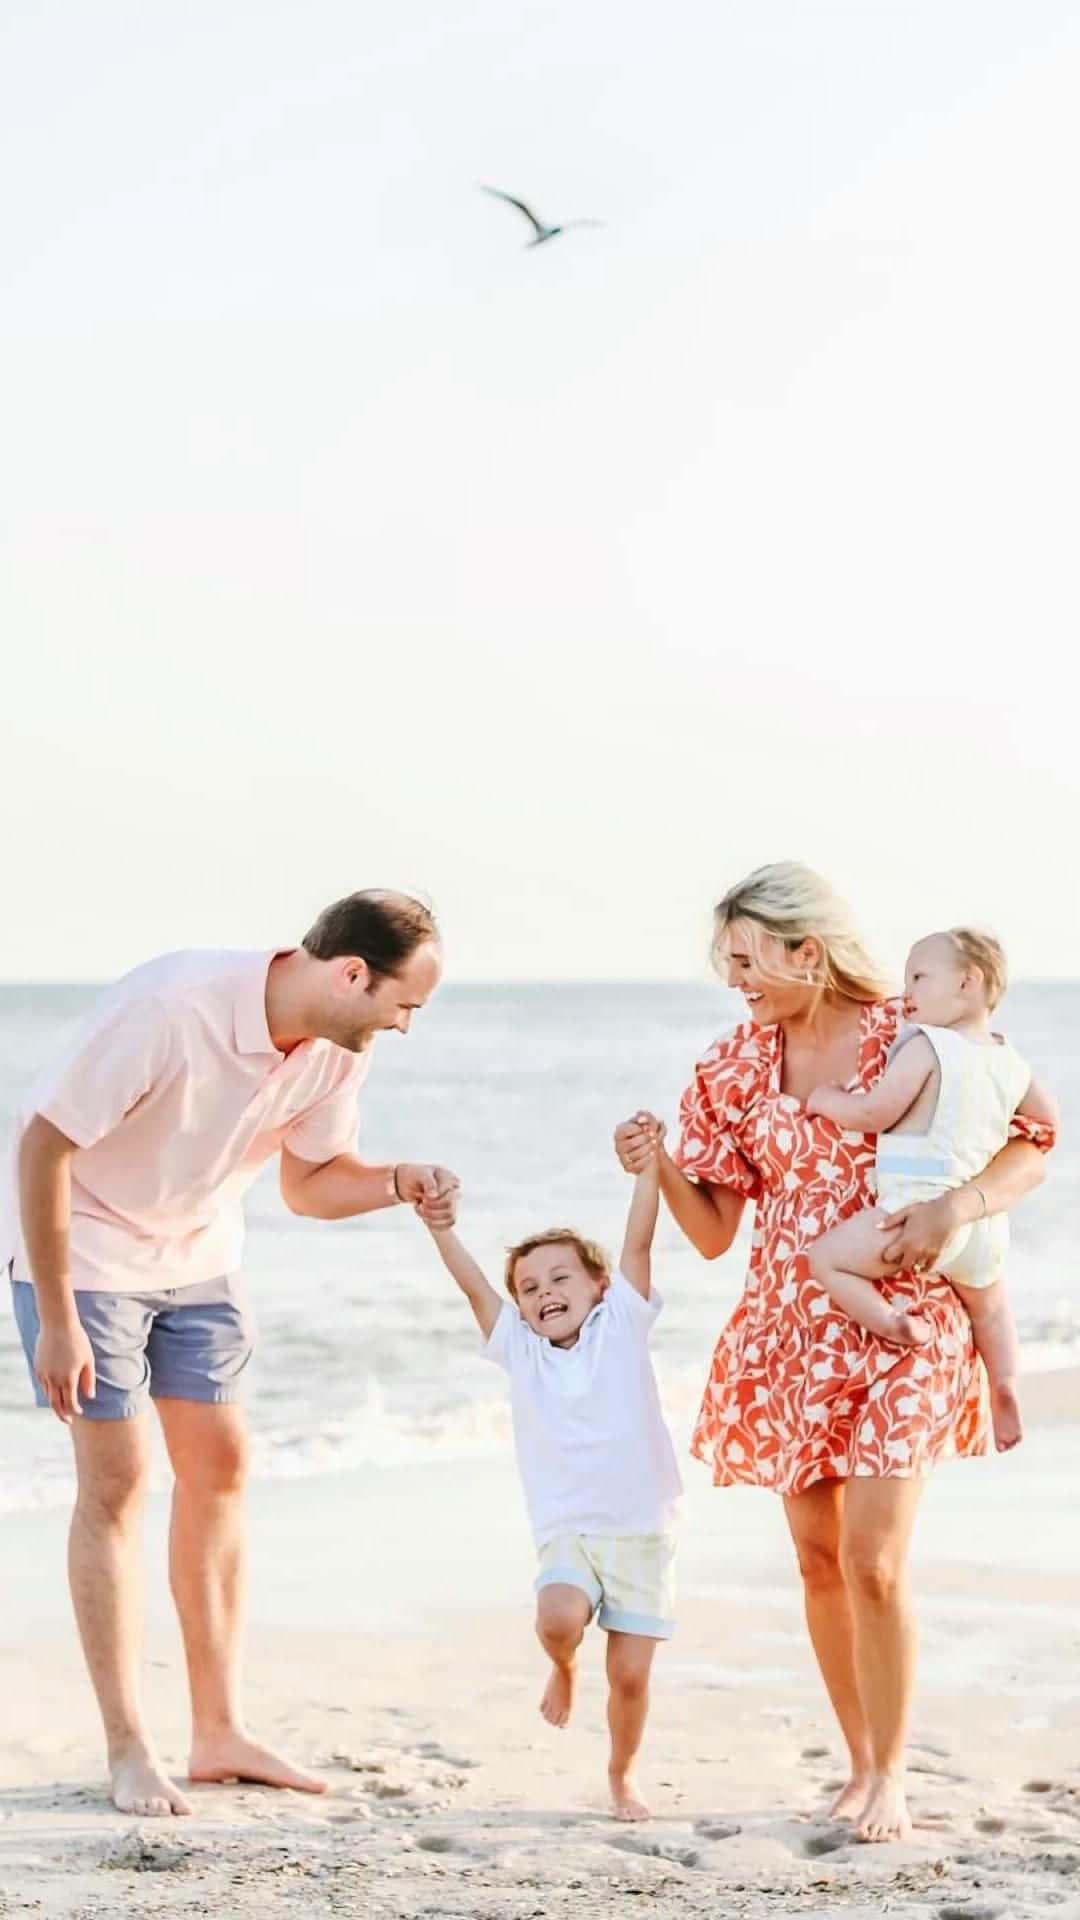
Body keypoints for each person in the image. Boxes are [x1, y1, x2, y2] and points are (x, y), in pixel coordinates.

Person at [615, 864, 1055, 1845]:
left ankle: (893, 1773)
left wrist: (957, 1205)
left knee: (875, 1561)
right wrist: (660, 1169)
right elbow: (716, 1231)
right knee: (818, 1561)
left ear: (806, 950)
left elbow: (1033, 1138)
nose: (738, 980)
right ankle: (857, 1764)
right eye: (727, 963)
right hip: (789, 1322)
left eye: (749, 960)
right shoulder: (731, 1066)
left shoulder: (922, 1026)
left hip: (905, 1315)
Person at [5, 890, 458, 1820]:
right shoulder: (172, 1007)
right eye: (404, 1004)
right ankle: (130, 1746)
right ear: (350, 974)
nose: (406, 1026)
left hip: (200, 1257)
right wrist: (56, 1317)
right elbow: (43, 1146)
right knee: (119, 1484)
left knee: (221, 1466)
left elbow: (311, 1184)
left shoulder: (335, 1052)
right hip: (84, 1253)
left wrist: (398, 1184)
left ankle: (217, 1733)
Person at [420, 1121, 682, 1823]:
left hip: (641, 1531)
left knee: (629, 1677)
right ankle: (562, 1666)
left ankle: (622, 1775)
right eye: (529, 1287)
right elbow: (476, 1287)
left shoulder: (621, 1324)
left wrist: (648, 1170)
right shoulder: (521, 1352)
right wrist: (440, 1228)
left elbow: (638, 1243)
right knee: (559, 1615)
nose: (544, 1292)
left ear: (599, 1286)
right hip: (568, 1529)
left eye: (561, 1277)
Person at [805, 928, 1053, 1453]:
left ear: (968, 982)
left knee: (826, 1260)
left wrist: (826, 1100)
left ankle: (892, 1324)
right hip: (981, 1229)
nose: (907, 990)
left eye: (918, 976)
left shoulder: (928, 1045)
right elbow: (1046, 1124)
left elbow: (875, 1111)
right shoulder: (1012, 1062)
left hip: (907, 1212)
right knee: (990, 1308)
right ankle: (1005, 1383)